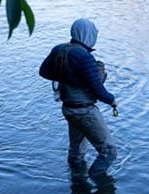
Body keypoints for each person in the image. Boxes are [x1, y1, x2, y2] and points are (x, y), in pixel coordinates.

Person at [40, 18, 118, 176]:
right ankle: (96, 181)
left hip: (68, 109)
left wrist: (67, 77)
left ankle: (77, 183)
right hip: (85, 112)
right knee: (109, 152)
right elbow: (96, 89)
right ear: (88, 35)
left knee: (76, 152)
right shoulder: (85, 57)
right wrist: (112, 100)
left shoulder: (60, 49)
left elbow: (44, 72)